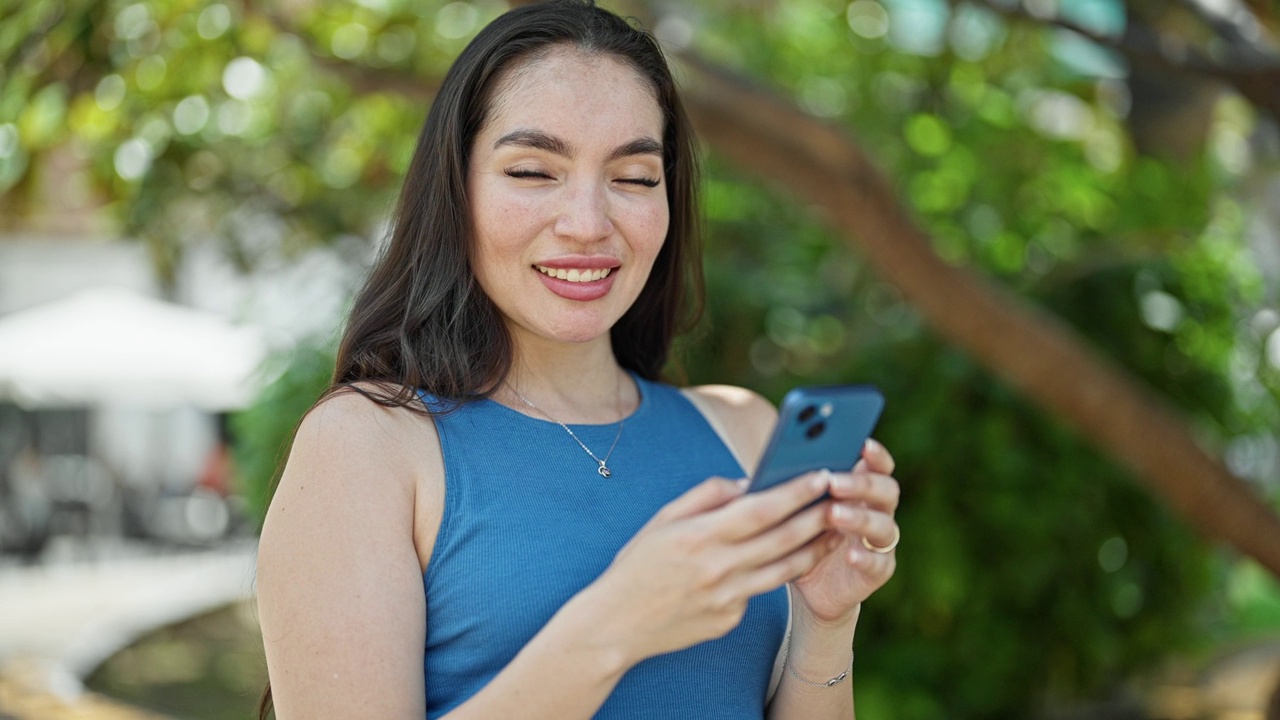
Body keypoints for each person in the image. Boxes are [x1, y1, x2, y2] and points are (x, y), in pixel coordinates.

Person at [254, 1, 901, 718]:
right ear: (456, 187)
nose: (589, 224)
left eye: (633, 177)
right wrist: (617, 626)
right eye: (533, 171)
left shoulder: (743, 431)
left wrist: (825, 624)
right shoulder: (365, 446)